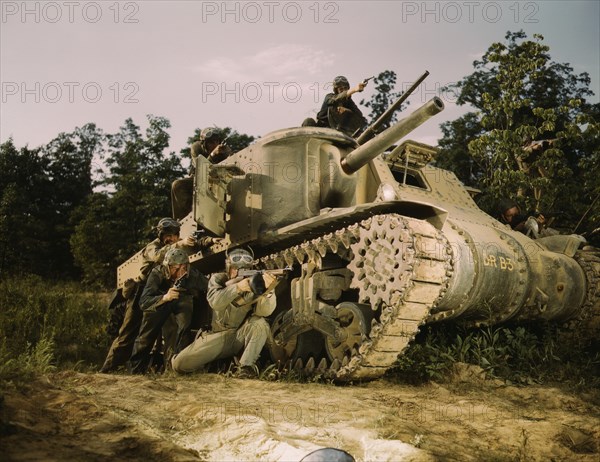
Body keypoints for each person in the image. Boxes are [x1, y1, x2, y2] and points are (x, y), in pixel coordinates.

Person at [100, 217, 201, 373]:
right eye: (167, 235)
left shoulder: (176, 244)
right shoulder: (152, 247)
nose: (171, 238)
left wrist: (205, 241)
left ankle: (170, 369)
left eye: (174, 235)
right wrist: (179, 243)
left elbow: (195, 245)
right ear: (160, 235)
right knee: (128, 333)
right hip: (142, 291)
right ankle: (107, 370)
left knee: (170, 331)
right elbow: (157, 256)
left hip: (163, 292)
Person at [171, 247, 279, 378]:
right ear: (228, 268)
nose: (237, 272)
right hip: (216, 336)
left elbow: (265, 312)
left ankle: (246, 367)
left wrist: (268, 291)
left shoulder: (254, 283)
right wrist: (238, 287)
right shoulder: (217, 279)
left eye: (244, 270)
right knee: (179, 365)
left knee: (260, 323)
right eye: (235, 268)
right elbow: (215, 302)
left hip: (239, 334)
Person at [129, 247, 208, 374]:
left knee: (183, 329)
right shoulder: (156, 274)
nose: (181, 272)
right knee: (146, 335)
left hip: (181, 299)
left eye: (184, 267)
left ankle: (178, 369)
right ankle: (136, 371)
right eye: (176, 268)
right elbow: (144, 302)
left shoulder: (192, 274)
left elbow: (209, 286)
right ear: (168, 267)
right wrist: (165, 297)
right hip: (159, 301)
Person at [171, 127, 233, 220]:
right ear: (204, 143)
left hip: (218, 180)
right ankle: (182, 220)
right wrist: (213, 155)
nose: (215, 145)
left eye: (217, 141)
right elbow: (201, 168)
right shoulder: (196, 147)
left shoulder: (224, 150)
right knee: (178, 185)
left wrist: (229, 155)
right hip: (198, 178)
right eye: (211, 142)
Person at [302, 76, 368, 136]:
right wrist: (355, 89)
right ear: (336, 91)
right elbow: (336, 99)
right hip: (321, 130)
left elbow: (361, 119)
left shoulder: (350, 103)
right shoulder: (329, 97)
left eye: (345, 88)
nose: (343, 90)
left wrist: (347, 111)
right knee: (308, 121)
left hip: (340, 132)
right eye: (341, 89)